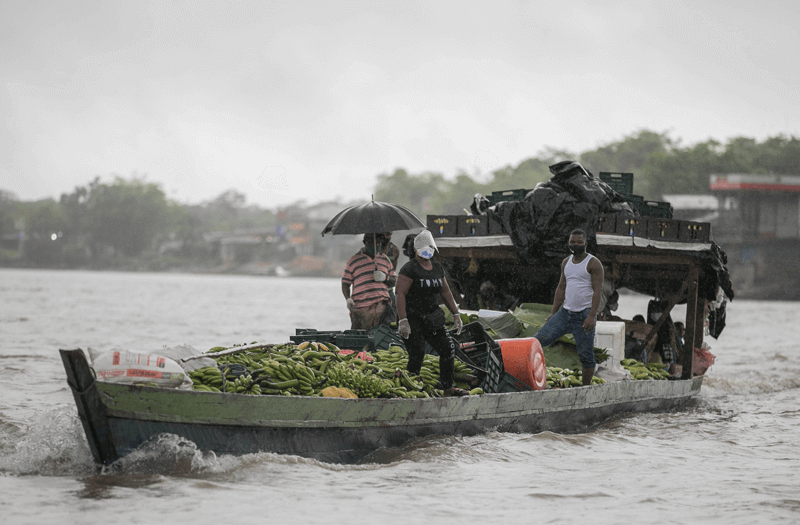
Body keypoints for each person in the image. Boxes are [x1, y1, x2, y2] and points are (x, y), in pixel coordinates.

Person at [395, 230, 468, 397]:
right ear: (415, 250)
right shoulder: (409, 269)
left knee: (448, 349)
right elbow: (400, 294)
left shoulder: (437, 267)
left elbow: (445, 292)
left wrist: (456, 314)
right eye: (423, 248)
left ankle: (448, 388)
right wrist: (403, 320)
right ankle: (409, 388)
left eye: (430, 248)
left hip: (433, 317)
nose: (427, 251)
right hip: (413, 317)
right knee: (417, 353)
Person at [533, 229, 604, 386]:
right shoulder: (566, 262)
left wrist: (592, 315)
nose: (576, 245)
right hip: (565, 313)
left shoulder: (593, 263)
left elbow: (597, 291)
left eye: (579, 242)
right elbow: (561, 288)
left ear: (586, 244)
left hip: (584, 314)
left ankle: (585, 388)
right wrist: (553, 312)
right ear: (569, 244)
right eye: (573, 242)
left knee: (586, 355)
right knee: (537, 340)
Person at [341, 233, 397, 330]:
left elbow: (394, 281)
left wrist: (385, 278)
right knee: (361, 339)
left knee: (383, 338)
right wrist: (348, 299)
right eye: (371, 243)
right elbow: (345, 283)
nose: (376, 246)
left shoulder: (385, 260)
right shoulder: (354, 260)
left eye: (379, 243)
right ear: (365, 243)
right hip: (361, 309)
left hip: (382, 307)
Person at [380, 231, 401, 325]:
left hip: (388, 290)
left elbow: (393, 274)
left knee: (393, 320)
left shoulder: (394, 250)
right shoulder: (372, 249)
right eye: (385, 234)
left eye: (389, 234)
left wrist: (385, 277)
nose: (388, 237)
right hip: (373, 291)